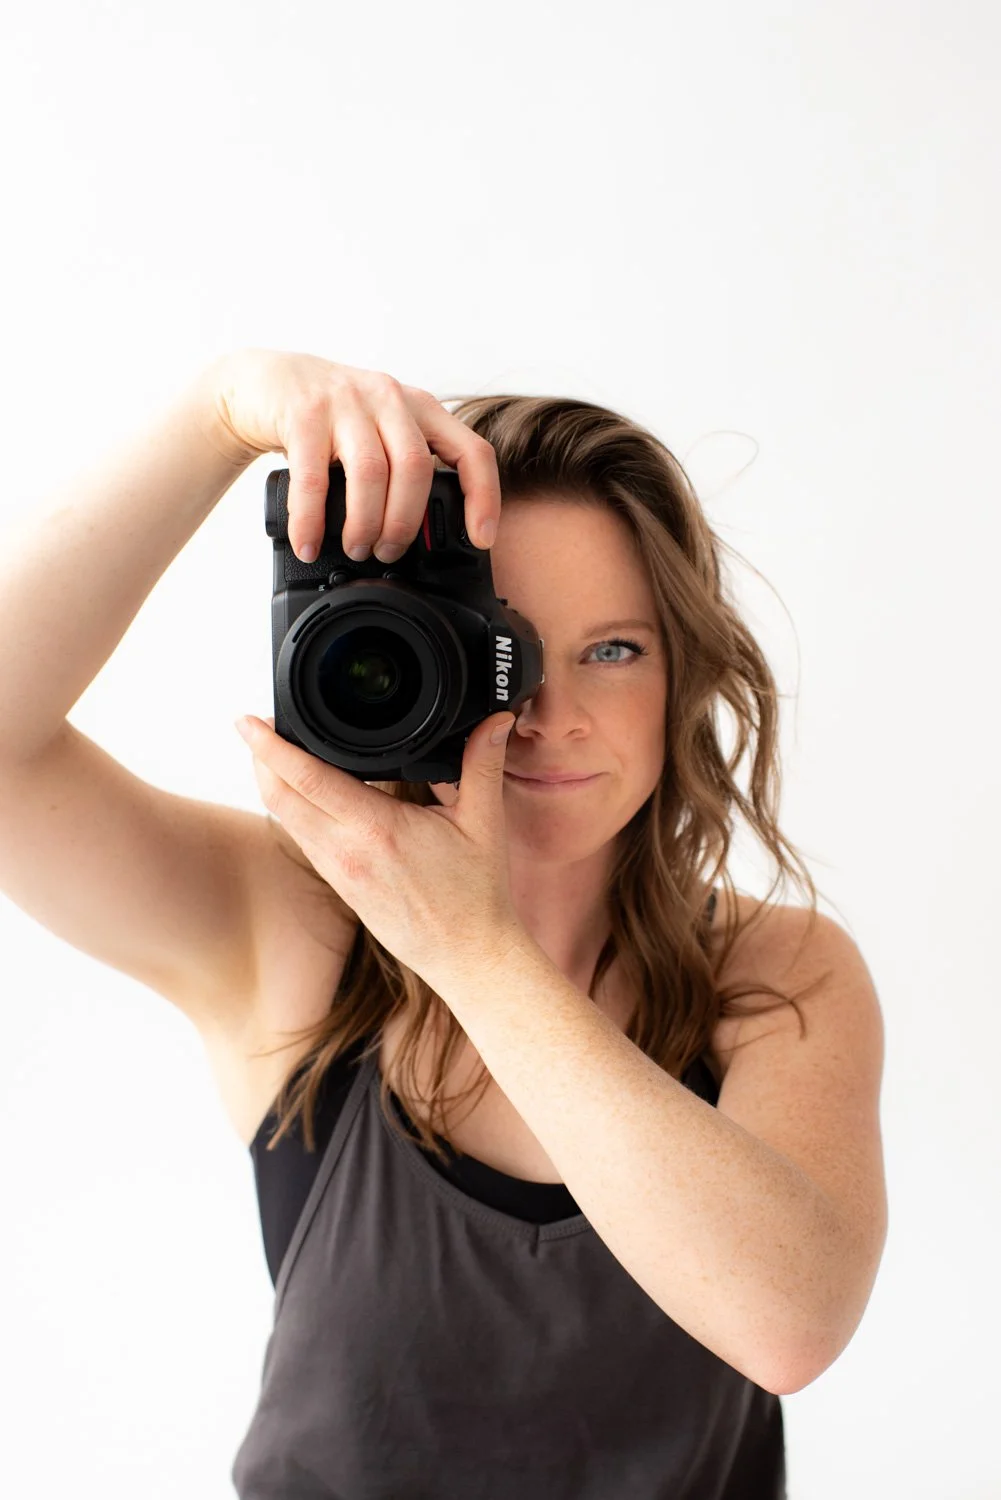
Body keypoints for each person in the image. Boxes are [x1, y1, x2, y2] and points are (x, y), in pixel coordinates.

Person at [0, 349, 887, 1498]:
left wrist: (476, 951)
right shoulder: (295, 928)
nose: (549, 716)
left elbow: (788, 1326)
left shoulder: (776, 974)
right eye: (500, 647)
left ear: (683, 679)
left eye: (612, 651)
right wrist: (218, 414)